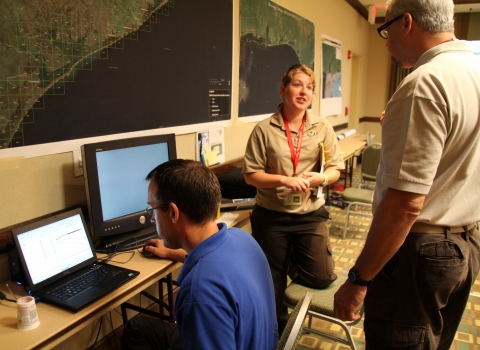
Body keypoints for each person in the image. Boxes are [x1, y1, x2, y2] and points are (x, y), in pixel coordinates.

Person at [333, 1, 480, 349]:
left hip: (419, 252)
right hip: (465, 243)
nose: (385, 42)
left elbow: (405, 205)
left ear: (407, 23)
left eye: (385, 30)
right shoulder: (473, 68)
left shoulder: (424, 84)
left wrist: (358, 279)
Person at [121, 159, 278, 350]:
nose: (152, 218)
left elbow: (208, 282)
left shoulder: (200, 291)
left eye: (153, 209)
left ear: (173, 213)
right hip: (256, 341)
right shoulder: (242, 238)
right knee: (138, 327)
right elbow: (217, 267)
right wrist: (170, 252)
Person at [243, 64, 345, 333]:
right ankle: (278, 326)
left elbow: (336, 168)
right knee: (271, 280)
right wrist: (285, 180)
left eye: (309, 87)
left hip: (310, 213)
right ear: (283, 89)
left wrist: (320, 178)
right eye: (297, 84)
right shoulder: (264, 129)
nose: (304, 91)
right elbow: (251, 175)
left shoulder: (322, 127)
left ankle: (292, 258)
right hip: (272, 214)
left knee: (321, 277)